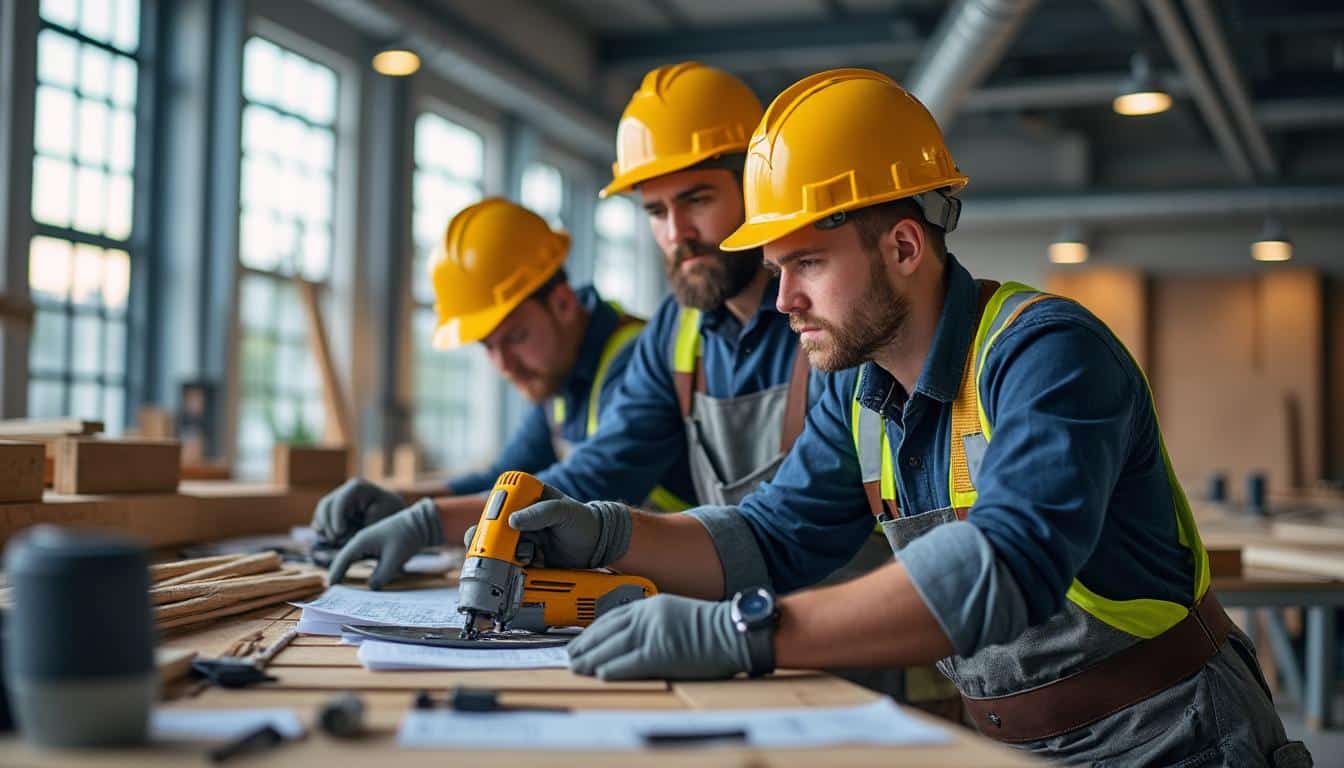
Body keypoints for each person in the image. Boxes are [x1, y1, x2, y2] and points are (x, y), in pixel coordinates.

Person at [492, 69, 1310, 766]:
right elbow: (772, 536)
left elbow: (1008, 562)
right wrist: (606, 532)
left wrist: (747, 631)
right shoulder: (860, 392)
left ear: (905, 247)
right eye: (777, 268)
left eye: (807, 262)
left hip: (1174, 742)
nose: (784, 301)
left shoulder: (1048, 355)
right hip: (1008, 746)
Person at [315, 197, 692, 587]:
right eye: (488, 346)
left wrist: (428, 520)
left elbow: (583, 488)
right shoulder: (560, 374)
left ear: (562, 303)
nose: (504, 365)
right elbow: (507, 477)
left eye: (514, 337)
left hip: (691, 582)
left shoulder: (635, 360)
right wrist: (398, 503)